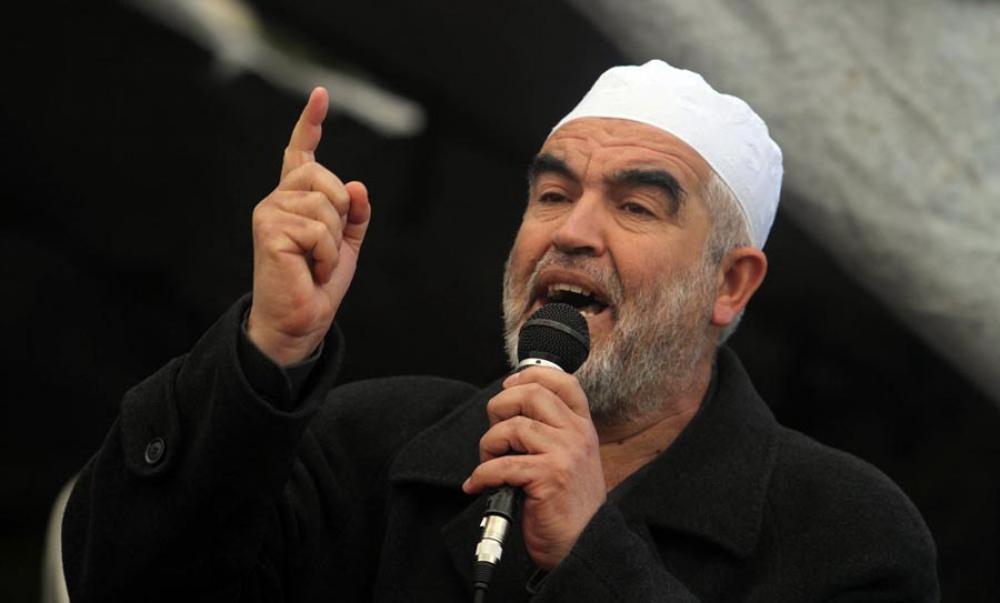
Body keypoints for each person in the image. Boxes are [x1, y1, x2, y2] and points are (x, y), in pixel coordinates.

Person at [62, 60, 938, 602]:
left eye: (635, 206)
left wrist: (591, 556)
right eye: (553, 194)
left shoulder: (848, 535)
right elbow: (126, 579)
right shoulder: (374, 447)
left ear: (730, 282)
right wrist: (265, 353)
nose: (573, 231)